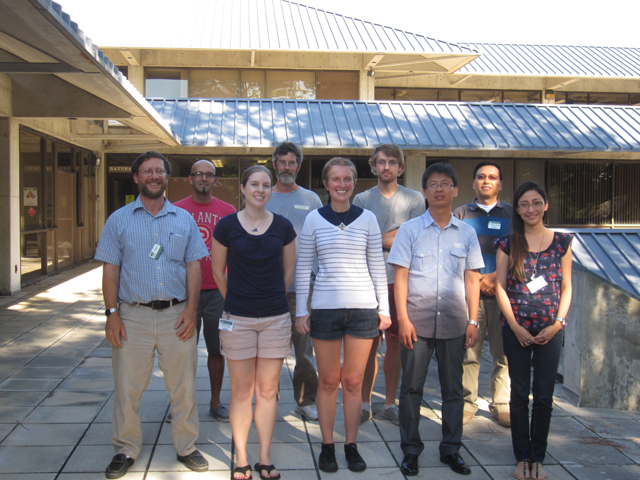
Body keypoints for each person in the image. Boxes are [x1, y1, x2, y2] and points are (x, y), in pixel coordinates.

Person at [95, 151, 209, 479]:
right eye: (147, 171)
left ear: (167, 177)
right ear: (136, 177)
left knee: (183, 386)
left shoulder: (183, 219)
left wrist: (191, 310)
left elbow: (193, 267)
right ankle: (125, 448)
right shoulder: (119, 219)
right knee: (127, 387)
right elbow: (110, 269)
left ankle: (186, 446)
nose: (154, 176)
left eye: (160, 171)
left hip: (177, 315)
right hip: (133, 317)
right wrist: (112, 313)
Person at [295, 157, 391, 473]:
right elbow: (303, 267)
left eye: (347, 179)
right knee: (328, 382)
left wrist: (384, 309)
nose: (341, 184)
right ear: (326, 183)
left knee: (352, 382)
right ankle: (327, 445)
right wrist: (301, 310)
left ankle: (351, 444)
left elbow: (377, 266)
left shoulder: (368, 219)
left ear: (354, 183)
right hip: (325, 309)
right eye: (335, 179)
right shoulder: (313, 219)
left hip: (363, 310)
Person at [388, 162, 483, 477]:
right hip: (417, 322)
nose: (439, 189)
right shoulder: (409, 230)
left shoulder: (467, 233)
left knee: (453, 390)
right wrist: (403, 319)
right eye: (433, 184)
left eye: (445, 184)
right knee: (411, 388)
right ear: (425, 191)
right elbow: (400, 277)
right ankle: (411, 451)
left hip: (455, 323)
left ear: (456, 190)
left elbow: (472, 279)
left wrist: (473, 321)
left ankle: (451, 450)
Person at [211, 165, 296, 480]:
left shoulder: (283, 226)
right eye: (254, 184)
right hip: (238, 319)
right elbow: (218, 272)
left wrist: (269, 298)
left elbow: (288, 272)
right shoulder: (226, 226)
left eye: (266, 185)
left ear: (271, 190)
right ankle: (242, 457)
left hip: (275, 319)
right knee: (242, 391)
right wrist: (236, 300)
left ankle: (264, 456)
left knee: (267, 390)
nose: (260, 190)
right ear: (243, 188)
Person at [494, 181, 573, 480]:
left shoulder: (562, 241)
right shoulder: (507, 243)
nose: (531, 209)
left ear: (546, 205)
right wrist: (515, 327)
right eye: (524, 204)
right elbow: (500, 288)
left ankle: (537, 458)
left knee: (543, 395)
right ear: (517, 209)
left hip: (550, 331)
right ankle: (521, 457)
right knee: (519, 393)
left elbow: (567, 287)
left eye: (536, 202)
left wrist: (558, 324)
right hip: (516, 330)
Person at [353, 144, 425, 426]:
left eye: (392, 162)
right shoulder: (361, 199)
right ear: (373, 166)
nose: (386, 167)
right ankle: (364, 403)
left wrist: (374, 237)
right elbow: (357, 238)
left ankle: (390, 403)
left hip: (401, 281)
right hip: (367, 282)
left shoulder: (414, 199)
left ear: (401, 167)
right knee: (367, 345)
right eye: (381, 162)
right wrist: (395, 235)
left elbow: (413, 238)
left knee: (395, 344)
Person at [174, 159, 236, 422]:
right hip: (184, 293)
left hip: (217, 292)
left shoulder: (228, 211)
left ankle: (215, 401)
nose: (203, 178)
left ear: (215, 180)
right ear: (190, 179)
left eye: (209, 175)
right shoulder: (176, 210)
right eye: (198, 174)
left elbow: (236, 251)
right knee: (182, 352)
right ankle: (181, 404)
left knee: (217, 350)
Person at [265, 142, 321, 422]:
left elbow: (321, 239)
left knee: (305, 350)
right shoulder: (262, 196)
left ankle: (306, 401)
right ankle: (268, 401)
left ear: (298, 166)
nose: (286, 167)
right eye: (282, 162)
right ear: (274, 164)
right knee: (270, 350)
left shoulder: (311, 199)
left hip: (303, 289)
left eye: (291, 163)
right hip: (269, 288)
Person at [454, 161, 512, 428]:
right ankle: (468, 402)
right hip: (471, 295)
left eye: (492, 177)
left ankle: (501, 403)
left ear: (500, 183)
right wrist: (475, 280)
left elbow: (520, 251)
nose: (486, 181)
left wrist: (496, 277)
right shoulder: (461, 214)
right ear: (473, 182)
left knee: (504, 353)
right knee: (470, 352)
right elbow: (454, 251)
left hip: (504, 295)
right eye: (481, 177)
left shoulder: (512, 214)